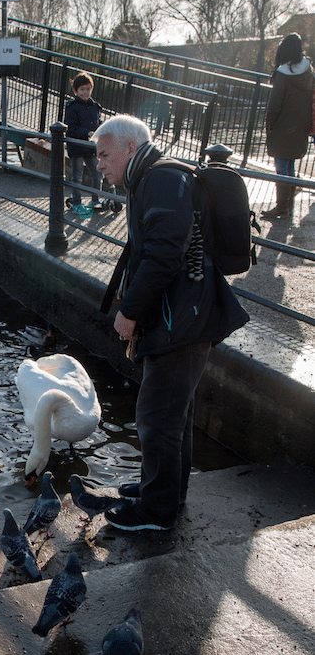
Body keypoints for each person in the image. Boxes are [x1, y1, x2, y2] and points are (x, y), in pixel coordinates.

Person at [93, 115, 249, 532]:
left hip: (181, 318)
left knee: (158, 414)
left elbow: (164, 255)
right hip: (186, 314)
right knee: (174, 413)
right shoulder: (155, 178)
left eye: (104, 154)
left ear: (130, 148)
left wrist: (129, 313)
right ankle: (163, 491)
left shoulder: (160, 180)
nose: (98, 164)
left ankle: (156, 512)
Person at [261, 32, 315, 220]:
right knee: (290, 165)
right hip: (301, 125)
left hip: (284, 126)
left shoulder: (283, 74)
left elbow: (275, 104)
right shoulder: (309, 71)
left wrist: (269, 124)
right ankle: (288, 205)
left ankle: (281, 207)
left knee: (281, 167)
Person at [64, 72, 104, 213]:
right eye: (82, 89)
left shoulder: (94, 106)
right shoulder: (72, 107)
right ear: (76, 91)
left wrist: (104, 129)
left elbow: (98, 122)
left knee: (98, 173)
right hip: (77, 146)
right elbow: (70, 128)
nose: (85, 92)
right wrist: (87, 133)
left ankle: (95, 199)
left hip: (91, 147)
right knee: (77, 176)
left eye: (88, 89)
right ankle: (77, 203)